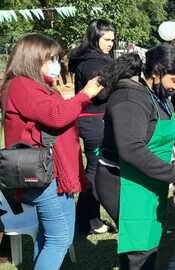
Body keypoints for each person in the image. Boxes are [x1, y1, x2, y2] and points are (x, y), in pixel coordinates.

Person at [94, 47, 175, 270]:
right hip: (123, 183)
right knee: (140, 251)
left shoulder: (155, 93)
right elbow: (131, 149)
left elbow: (157, 125)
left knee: (146, 243)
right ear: (156, 73)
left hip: (143, 179)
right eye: (174, 80)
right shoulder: (129, 98)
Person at [1, 33, 104, 270]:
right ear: (33, 59)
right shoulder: (22, 85)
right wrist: (85, 94)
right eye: (52, 59)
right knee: (60, 239)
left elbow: (56, 111)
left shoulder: (32, 86)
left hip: (47, 173)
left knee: (48, 236)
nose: (57, 65)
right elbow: (57, 116)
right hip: (46, 175)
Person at [68, 19, 115, 235]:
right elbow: (100, 93)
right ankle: (85, 220)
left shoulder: (94, 59)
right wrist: (116, 77)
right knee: (96, 171)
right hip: (94, 121)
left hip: (94, 120)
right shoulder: (93, 63)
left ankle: (91, 219)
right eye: (107, 39)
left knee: (95, 170)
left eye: (113, 39)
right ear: (95, 38)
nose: (111, 44)